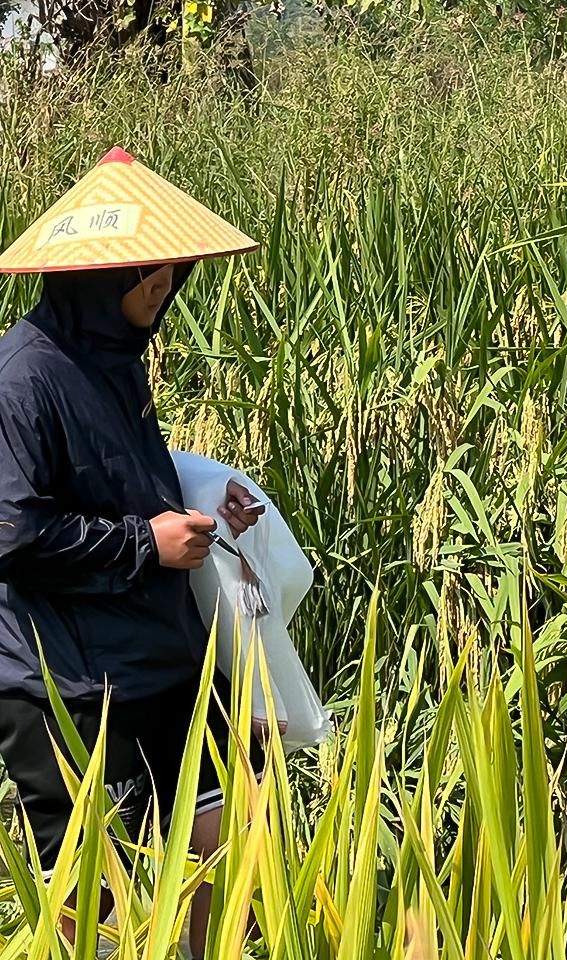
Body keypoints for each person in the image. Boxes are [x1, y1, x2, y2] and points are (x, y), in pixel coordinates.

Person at [0, 147, 262, 957]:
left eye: (172, 276)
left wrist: (203, 512)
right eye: (148, 275)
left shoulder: (117, 359)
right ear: (92, 281)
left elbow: (113, 480)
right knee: (91, 898)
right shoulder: (23, 378)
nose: (162, 290)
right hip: (67, 684)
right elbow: (14, 533)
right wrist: (146, 544)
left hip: (160, 655)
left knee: (237, 832)